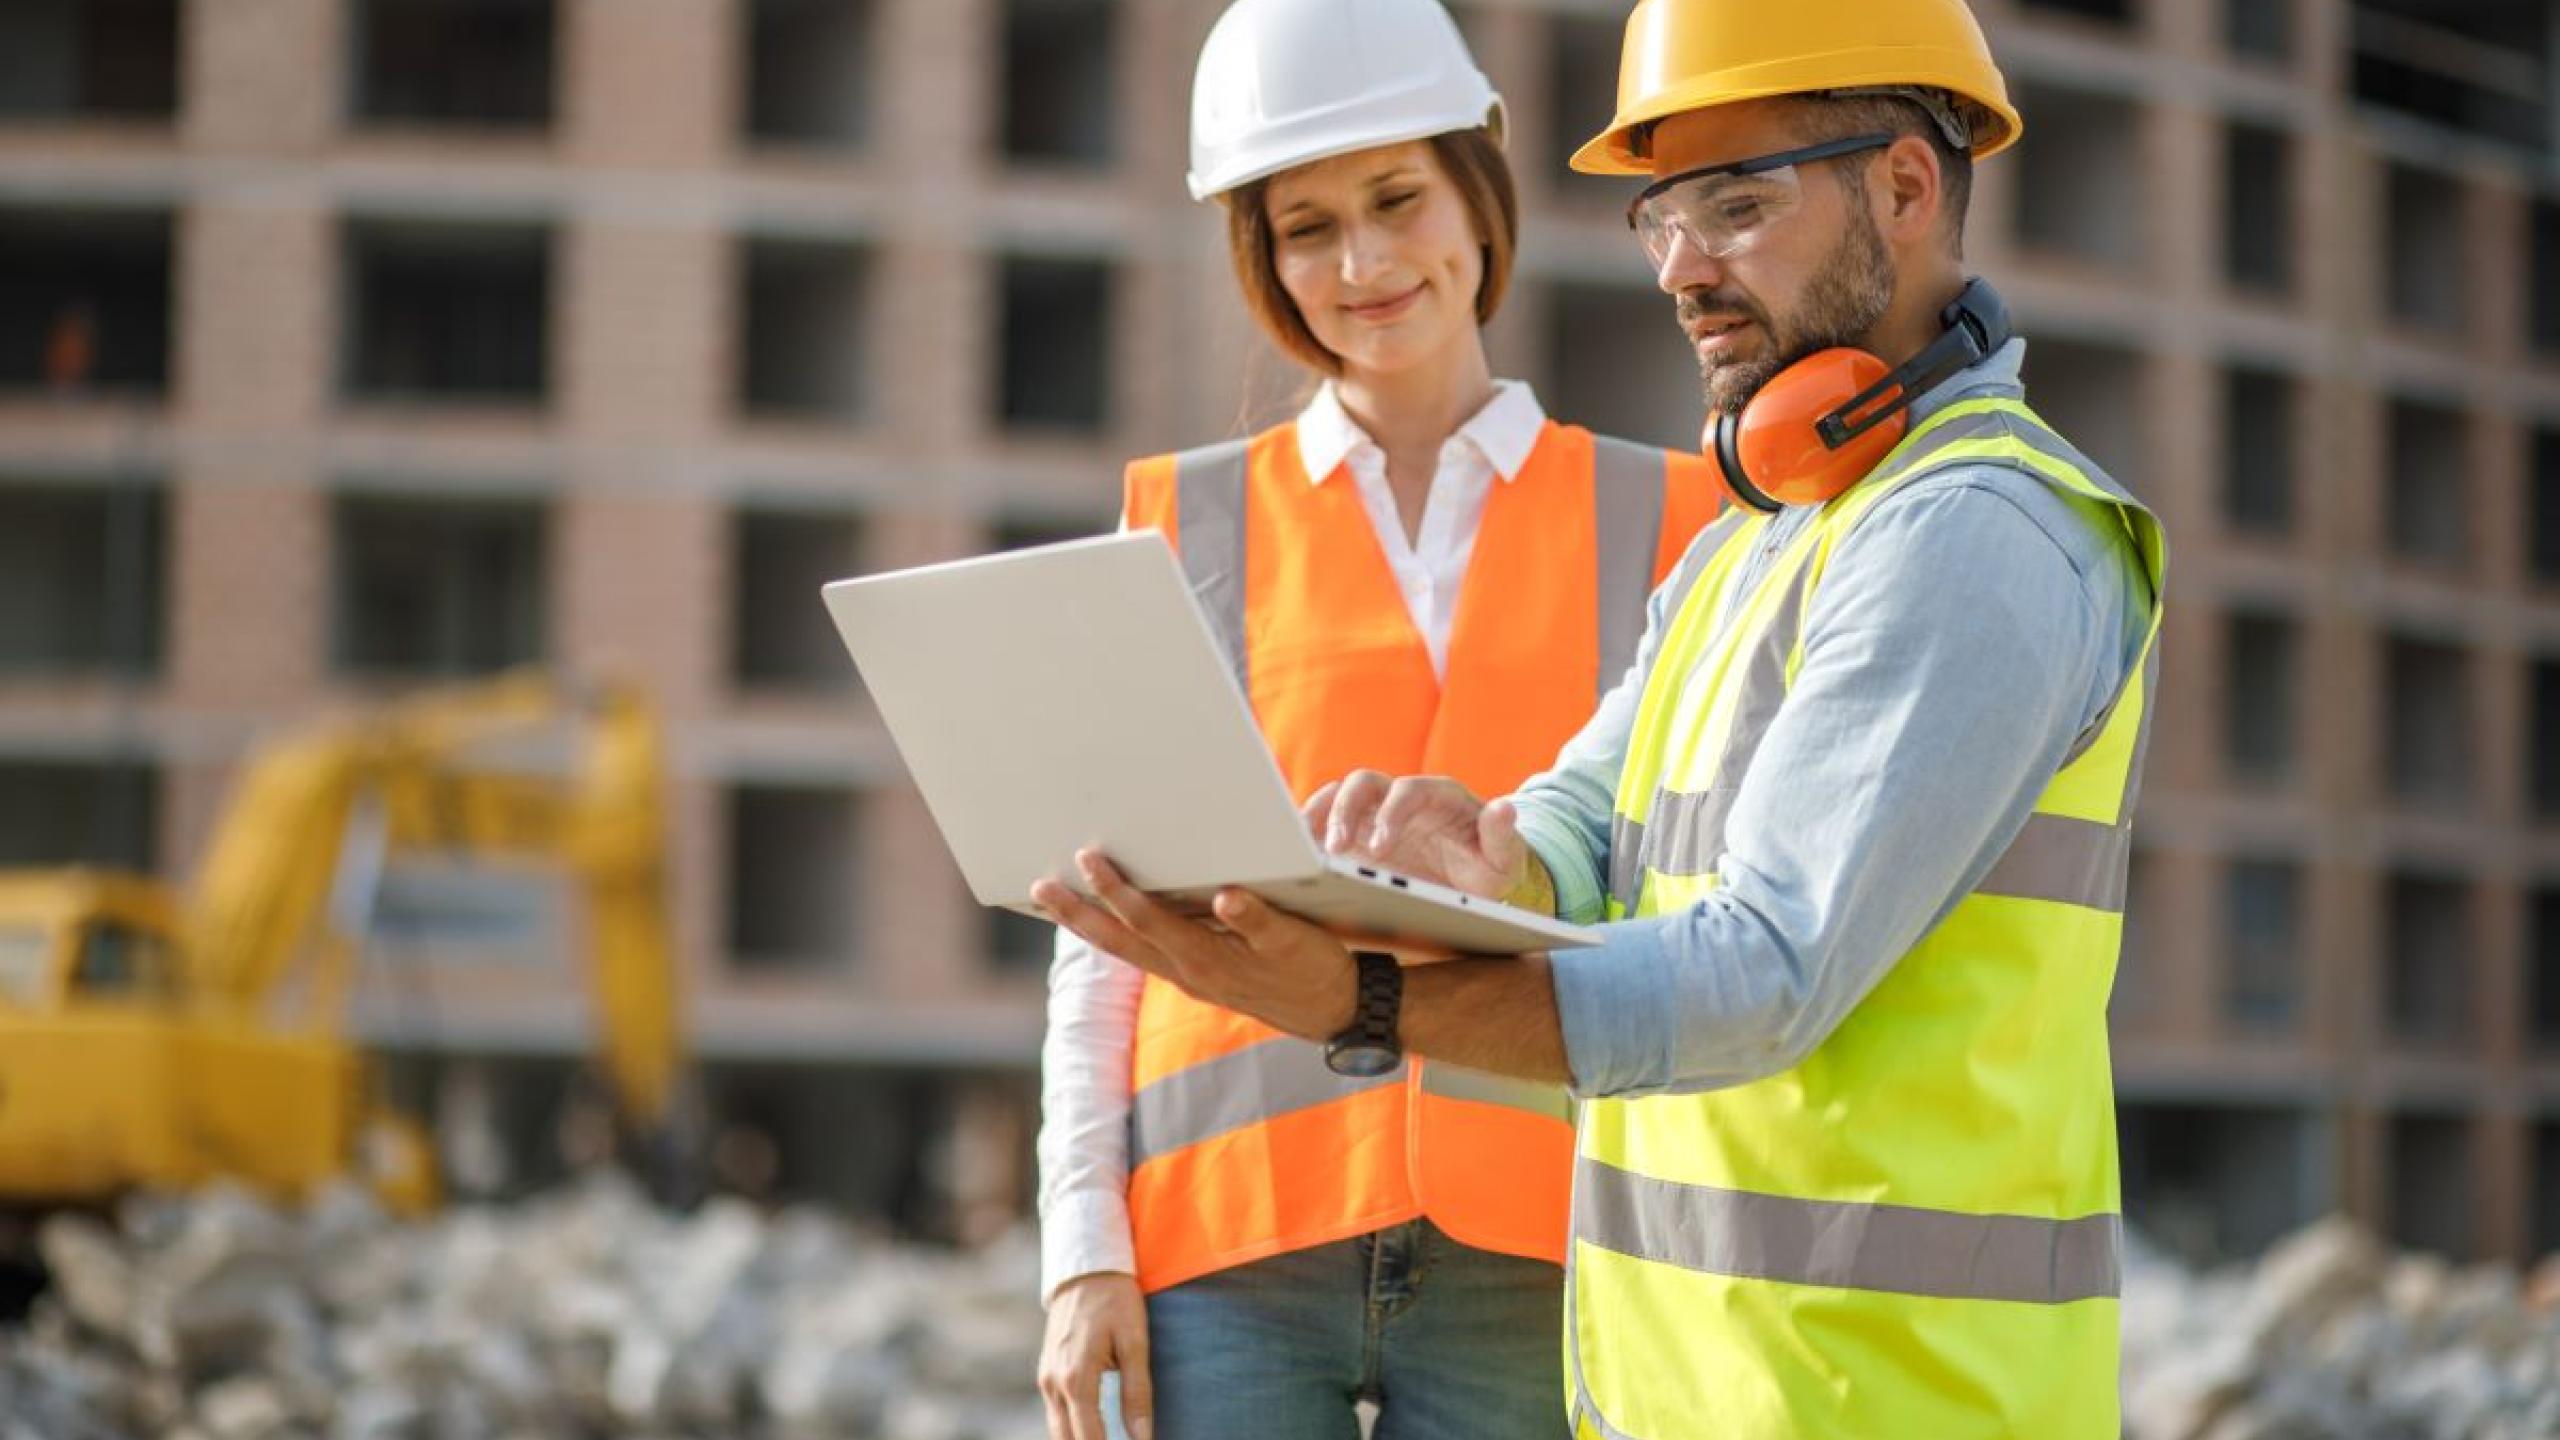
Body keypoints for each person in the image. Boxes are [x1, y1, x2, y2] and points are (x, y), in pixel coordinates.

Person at [1034, 0, 2168, 1436]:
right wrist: (1492, 859)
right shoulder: (1759, 539)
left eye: (1737, 205)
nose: (1683, 271)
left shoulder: (1973, 537)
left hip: (1887, 1388)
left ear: (1905, 183)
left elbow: (1764, 970)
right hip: (1684, 1373)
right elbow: (1589, 817)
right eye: (1662, 218)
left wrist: (1369, 1003)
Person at [1031, 1, 1720, 1437]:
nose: (1361, 264)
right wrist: (1080, 1252)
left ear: (1478, 187)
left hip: (1541, 1244)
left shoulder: (1675, 520)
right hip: (1227, 1254)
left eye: (1397, 199)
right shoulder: (1186, 519)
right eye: (1305, 227)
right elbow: (1102, 938)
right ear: (1259, 254)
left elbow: (1702, 915)